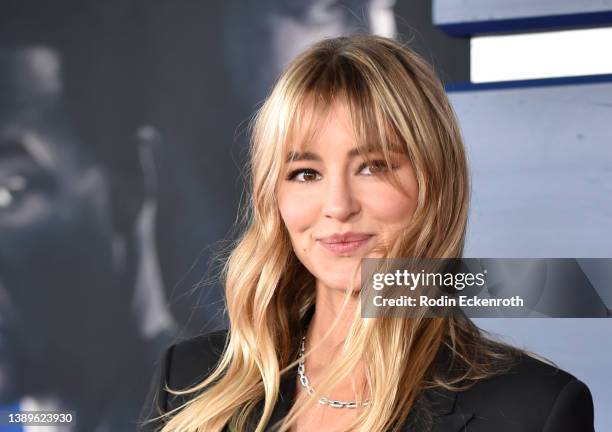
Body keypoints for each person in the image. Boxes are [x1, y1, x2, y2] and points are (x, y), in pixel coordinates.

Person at [138, 35, 594, 432]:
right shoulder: (189, 380)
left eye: (373, 167)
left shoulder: (536, 410)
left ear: (435, 181)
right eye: (304, 173)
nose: (338, 206)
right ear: (271, 196)